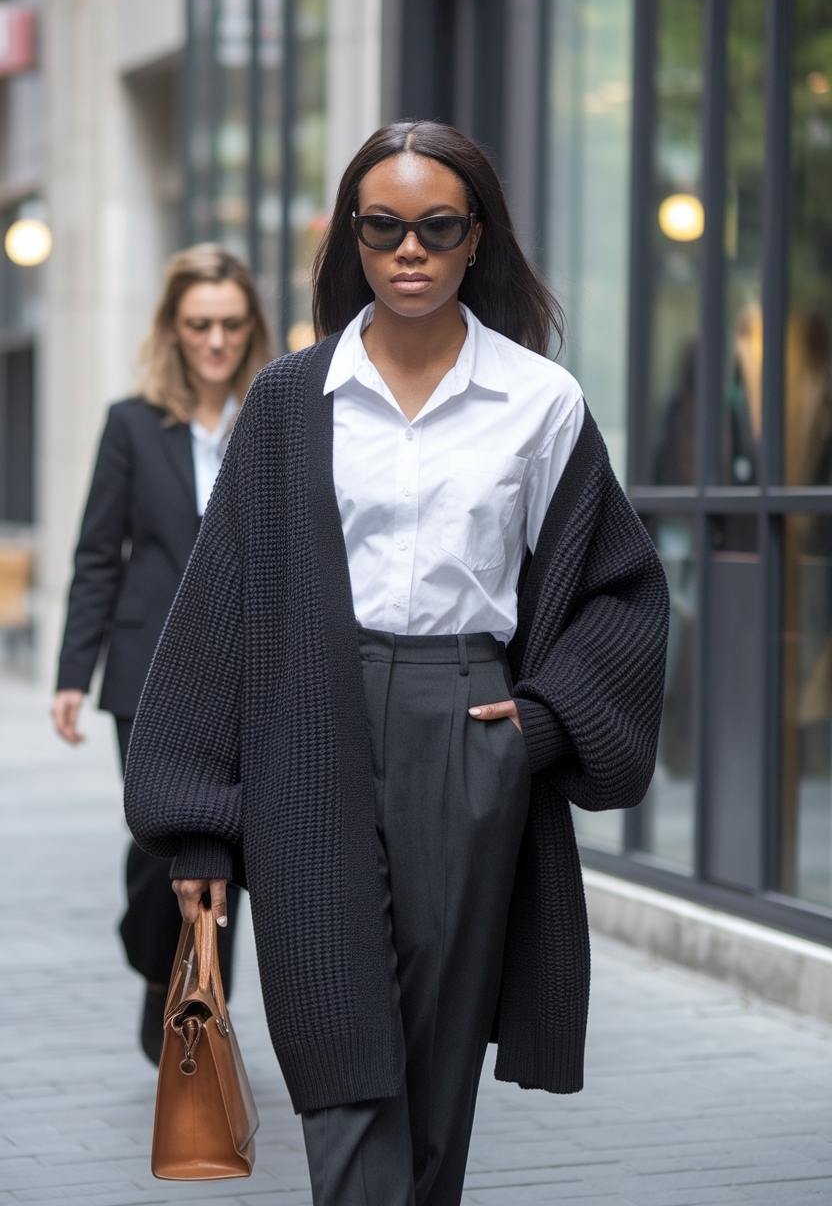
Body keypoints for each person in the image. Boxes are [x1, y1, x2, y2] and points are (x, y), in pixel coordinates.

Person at [124, 124, 669, 1204]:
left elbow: (620, 590)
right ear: (352, 240)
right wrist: (197, 820)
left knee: (434, 1049)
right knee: (334, 1036)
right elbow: (222, 604)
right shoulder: (289, 400)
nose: (408, 249)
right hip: (307, 726)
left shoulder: (540, 402)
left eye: (437, 226)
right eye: (383, 226)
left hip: (467, 727)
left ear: (477, 242)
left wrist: (546, 723)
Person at [52, 244, 271, 1064]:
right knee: (162, 849)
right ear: (173, 330)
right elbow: (96, 553)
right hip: (148, 670)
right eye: (198, 325)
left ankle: (206, 1001)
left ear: (250, 328)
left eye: (230, 325)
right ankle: (157, 972)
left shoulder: (275, 415)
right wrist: (75, 674)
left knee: (230, 843)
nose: (215, 341)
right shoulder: (132, 423)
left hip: (248, 671)